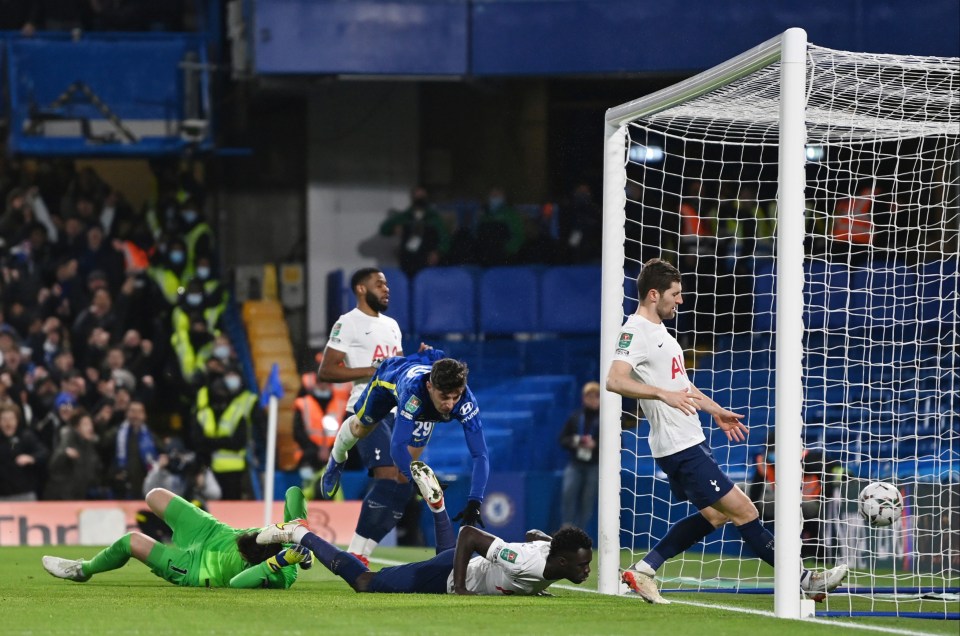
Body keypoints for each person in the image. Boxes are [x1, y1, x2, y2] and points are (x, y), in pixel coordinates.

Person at [606, 258, 849, 604]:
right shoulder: (635, 331)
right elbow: (614, 380)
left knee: (717, 514)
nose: (680, 301)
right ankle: (804, 579)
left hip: (688, 441)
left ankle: (644, 570)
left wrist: (715, 410)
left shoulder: (660, 332)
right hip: (679, 445)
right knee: (746, 511)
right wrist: (662, 394)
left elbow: (683, 385)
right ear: (653, 294)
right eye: (675, 294)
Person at [258, 461, 592, 595]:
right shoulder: (526, 563)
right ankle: (301, 533)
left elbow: (536, 535)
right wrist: (460, 588)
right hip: (447, 575)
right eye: (582, 564)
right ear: (561, 562)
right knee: (364, 582)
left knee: (448, 554)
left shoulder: (548, 554)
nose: (588, 570)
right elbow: (470, 534)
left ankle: (438, 508)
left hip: (458, 563)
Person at [320, 348, 489, 530]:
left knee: (408, 461)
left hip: (423, 383)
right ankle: (337, 457)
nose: (450, 404)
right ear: (430, 387)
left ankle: (426, 354)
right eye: (444, 397)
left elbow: (480, 455)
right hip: (388, 380)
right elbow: (396, 447)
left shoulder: (465, 400)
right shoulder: (413, 393)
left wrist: (475, 502)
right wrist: (415, 480)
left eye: (455, 397)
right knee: (361, 428)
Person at [41, 486, 310, 588]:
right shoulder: (289, 539)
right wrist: (301, 531)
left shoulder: (282, 573)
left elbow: (238, 583)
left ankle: (83, 569)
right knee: (154, 496)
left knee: (131, 541)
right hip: (213, 531)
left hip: (194, 568)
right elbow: (294, 492)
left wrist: (281, 560)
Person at [317, 267, 407, 560]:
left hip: (397, 410)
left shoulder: (393, 325)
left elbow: (397, 366)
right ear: (360, 289)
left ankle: (364, 552)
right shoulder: (348, 323)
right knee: (386, 475)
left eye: (387, 284)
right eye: (379, 284)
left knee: (405, 484)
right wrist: (371, 371)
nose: (386, 288)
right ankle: (354, 554)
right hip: (368, 405)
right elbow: (327, 370)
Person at [378, 186, 450, 277]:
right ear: (412, 198)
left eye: (422, 197)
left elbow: (445, 238)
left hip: (427, 260)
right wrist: (394, 228)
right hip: (408, 260)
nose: (419, 200)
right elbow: (384, 229)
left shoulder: (434, 218)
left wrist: (438, 252)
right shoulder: (405, 216)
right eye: (417, 197)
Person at [559, 381, 601, 531]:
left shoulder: (607, 419)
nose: (593, 400)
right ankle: (566, 530)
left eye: (596, 397)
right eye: (590, 397)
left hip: (595, 465)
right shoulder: (576, 417)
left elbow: (618, 444)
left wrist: (596, 445)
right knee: (568, 494)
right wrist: (577, 441)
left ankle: (580, 534)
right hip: (576, 463)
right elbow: (562, 439)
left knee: (587, 501)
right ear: (584, 398)